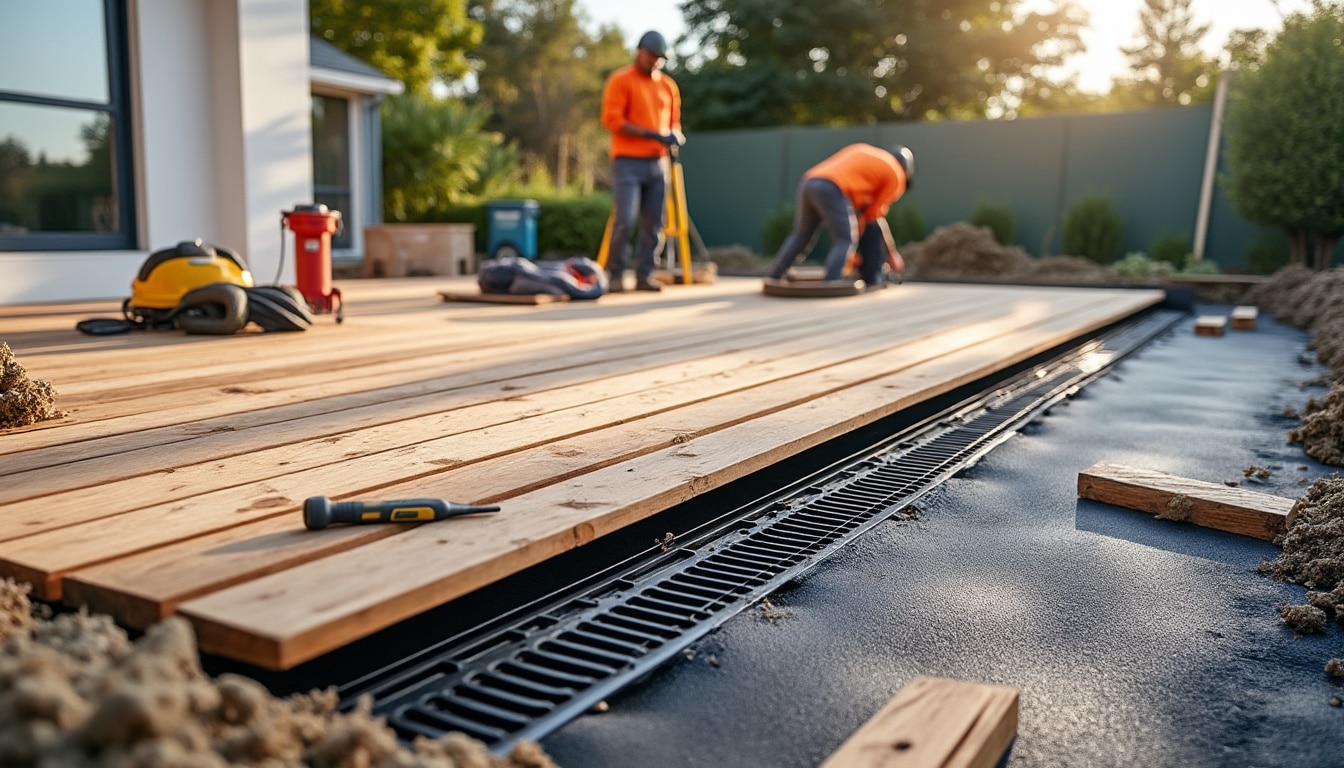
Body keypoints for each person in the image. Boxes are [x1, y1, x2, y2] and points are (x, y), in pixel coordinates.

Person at [600, 30, 684, 292]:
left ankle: (644, 275)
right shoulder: (621, 80)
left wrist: (675, 135)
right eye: (651, 56)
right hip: (627, 162)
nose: (654, 61)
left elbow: (675, 122)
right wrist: (651, 134)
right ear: (639, 51)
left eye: (659, 58)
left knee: (655, 222)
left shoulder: (668, 86)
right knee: (625, 218)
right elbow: (613, 119)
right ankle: (616, 274)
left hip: (658, 163)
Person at [766, 143, 915, 288]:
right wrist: (891, 253)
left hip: (809, 183)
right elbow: (873, 217)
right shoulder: (897, 175)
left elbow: (861, 214)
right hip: (832, 188)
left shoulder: (875, 157)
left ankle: (776, 274)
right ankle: (831, 283)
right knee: (845, 239)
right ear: (907, 170)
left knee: (801, 235)